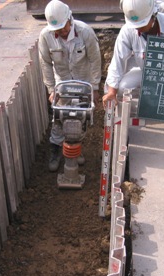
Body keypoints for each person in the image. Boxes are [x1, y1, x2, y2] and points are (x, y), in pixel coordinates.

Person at [38, 0, 102, 172]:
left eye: (64, 27)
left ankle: (76, 148)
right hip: (62, 82)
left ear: (69, 18)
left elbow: (95, 60)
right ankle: (56, 150)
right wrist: (51, 90)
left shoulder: (85, 32)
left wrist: (95, 87)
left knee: (81, 117)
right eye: (57, 29)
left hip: (83, 81)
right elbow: (45, 64)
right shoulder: (46, 36)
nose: (62, 31)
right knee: (59, 117)